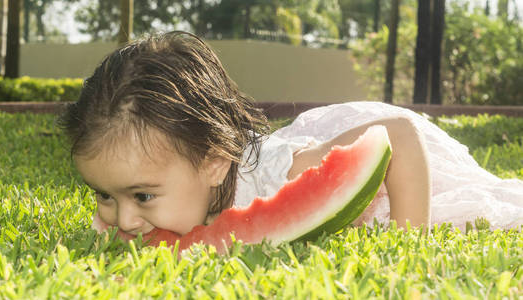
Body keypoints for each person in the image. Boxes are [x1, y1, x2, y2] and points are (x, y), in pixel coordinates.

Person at [59, 31, 522, 240]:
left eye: (141, 195)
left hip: (394, 152)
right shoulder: (143, 202)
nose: (122, 219)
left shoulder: (285, 173)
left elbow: (396, 136)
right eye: (104, 195)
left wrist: (409, 239)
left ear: (214, 163)